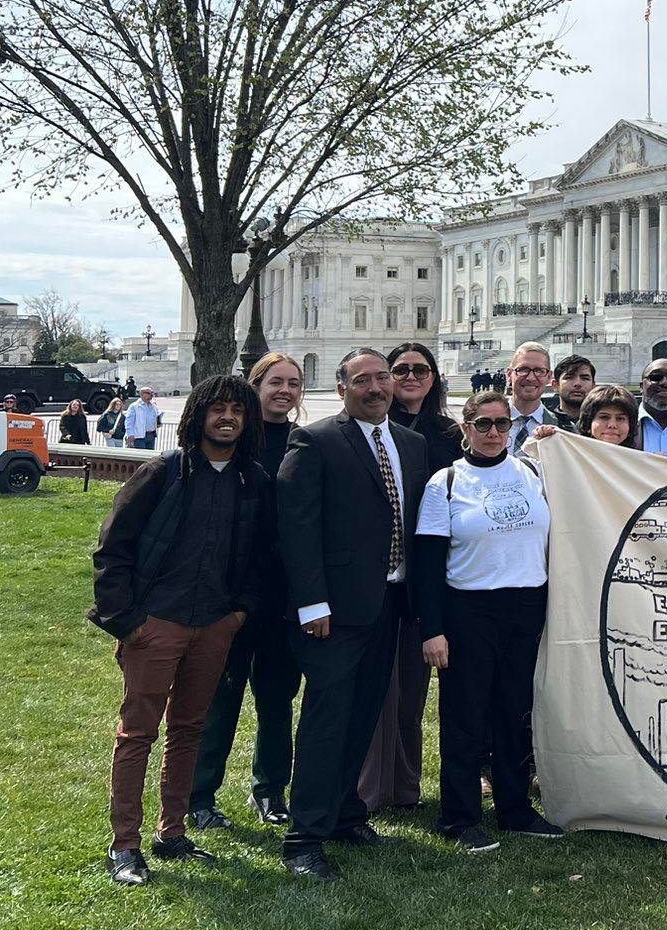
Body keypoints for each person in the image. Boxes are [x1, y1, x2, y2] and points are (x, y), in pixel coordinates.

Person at [88, 375, 271, 885]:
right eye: (217, 409)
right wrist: (128, 622)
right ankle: (124, 845)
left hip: (214, 625)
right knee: (138, 734)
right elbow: (112, 548)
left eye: (237, 409)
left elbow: (259, 558)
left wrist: (237, 615)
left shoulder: (251, 480)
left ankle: (172, 834)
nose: (227, 417)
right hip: (156, 624)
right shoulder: (162, 471)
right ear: (199, 416)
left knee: (190, 728)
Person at [277, 347, 430, 881]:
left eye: (382, 377)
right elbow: (296, 528)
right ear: (341, 388)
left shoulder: (411, 445)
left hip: (390, 601)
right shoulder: (316, 440)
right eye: (361, 379)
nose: (376, 387)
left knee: (365, 712)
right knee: (327, 719)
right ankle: (303, 839)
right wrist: (311, 602)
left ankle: (345, 813)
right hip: (335, 610)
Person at [413, 389, 559, 850]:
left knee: (516, 712)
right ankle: (458, 817)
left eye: (502, 424)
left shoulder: (534, 472)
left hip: (526, 604)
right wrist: (431, 629)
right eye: (483, 424)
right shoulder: (446, 483)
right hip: (468, 608)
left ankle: (515, 810)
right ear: (466, 428)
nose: (494, 433)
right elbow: (428, 563)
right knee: (464, 715)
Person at [189, 353, 306, 831]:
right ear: (255, 387)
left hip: (281, 592)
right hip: (231, 593)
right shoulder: (237, 442)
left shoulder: (305, 441)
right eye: (275, 382)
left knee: (277, 700)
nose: (284, 391)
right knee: (219, 697)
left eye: (293, 383)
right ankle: (199, 794)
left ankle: (271, 789)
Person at [358, 342, 462, 817]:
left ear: (434, 376)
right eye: (401, 369)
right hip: (380, 569)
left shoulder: (448, 434)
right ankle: (370, 785)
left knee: (412, 684)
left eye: (421, 369)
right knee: (375, 684)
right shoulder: (375, 429)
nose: (411, 376)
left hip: (427, 569)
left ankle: (405, 783)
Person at [503, 344, 559, 453]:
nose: (530, 378)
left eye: (539, 371)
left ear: (549, 377)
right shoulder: (486, 423)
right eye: (523, 369)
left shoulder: (561, 427)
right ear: (509, 374)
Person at [578, 385, 643, 448]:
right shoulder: (572, 457)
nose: (612, 425)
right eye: (604, 417)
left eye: (620, 419)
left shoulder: (641, 458)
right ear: (588, 422)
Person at [548, 354, 596, 432]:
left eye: (585, 378)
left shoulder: (603, 425)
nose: (577, 383)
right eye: (569, 377)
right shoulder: (544, 422)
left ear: (593, 386)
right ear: (555, 385)